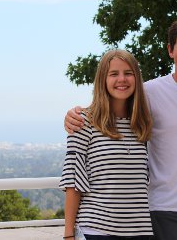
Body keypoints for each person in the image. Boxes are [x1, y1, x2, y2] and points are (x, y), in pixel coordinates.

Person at [64, 16, 177, 240]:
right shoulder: (150, 92)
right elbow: (112, 105)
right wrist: (75, 115)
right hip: (164, 212)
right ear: (170, 50)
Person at [59, 49, 154, 240]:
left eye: (128, 73)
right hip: (96, 231)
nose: (122, 79)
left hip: (139, 231)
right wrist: (68, 235)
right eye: (114, 74)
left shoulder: (143, 124)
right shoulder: (84, 121)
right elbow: (74, 183)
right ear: (103, 79)